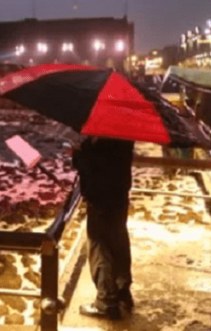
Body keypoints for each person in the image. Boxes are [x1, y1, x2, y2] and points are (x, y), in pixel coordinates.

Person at [71, 136, 135, 320]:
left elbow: (93, 166)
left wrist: (78, 154)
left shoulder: (102, 139)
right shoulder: (124, 136)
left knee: (99, 246)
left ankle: (106, 301)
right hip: (119, 195)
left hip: (101, 198)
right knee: (119, 241)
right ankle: (122, 291)